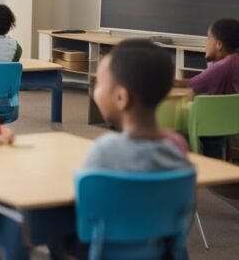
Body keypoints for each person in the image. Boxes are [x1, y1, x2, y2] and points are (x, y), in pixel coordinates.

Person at [85, 39, 192, 171]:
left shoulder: (104, 152)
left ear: (121, 97)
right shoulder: (177, 145)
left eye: (99, 83)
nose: (95, 91)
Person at [184, 18, 239, 157]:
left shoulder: (223, 66)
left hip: (220, 126)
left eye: (208, 38)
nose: (205, 43)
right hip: (232, 122)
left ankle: (210, 162)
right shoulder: (234, 60)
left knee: (189, 125)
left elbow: (190, 84)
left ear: (219, 44)